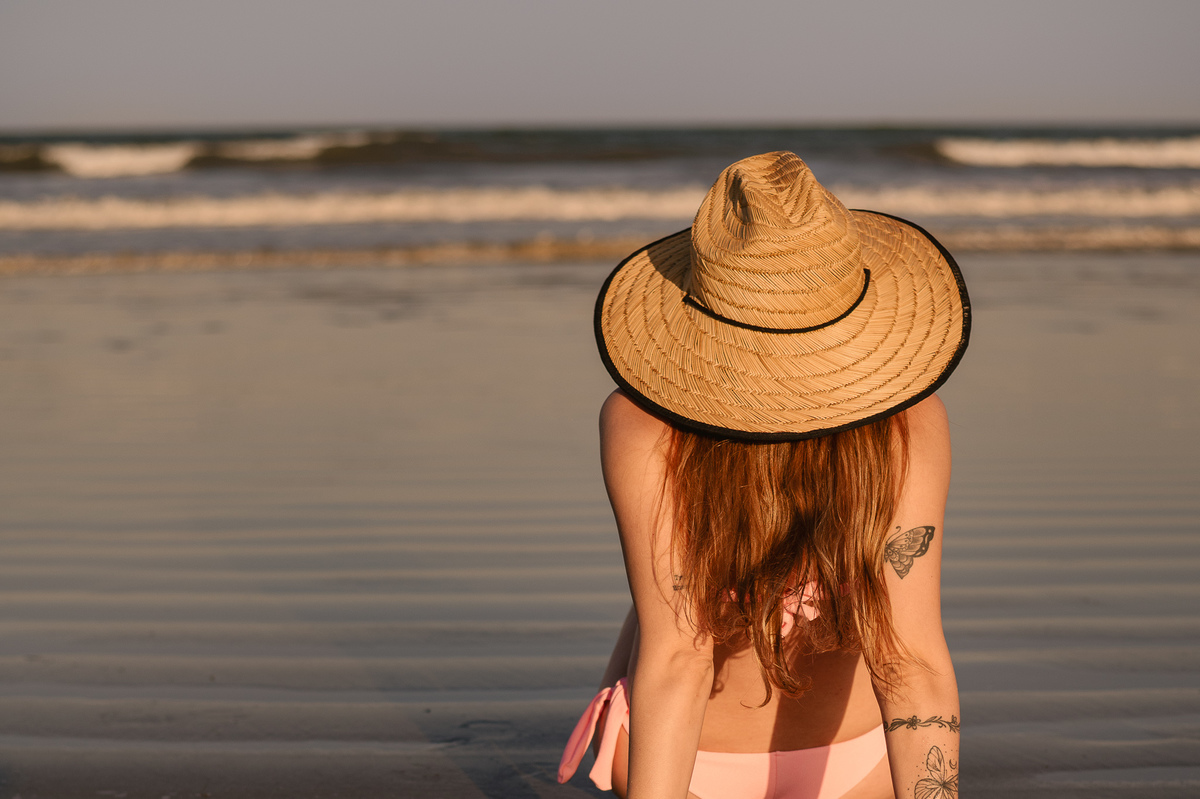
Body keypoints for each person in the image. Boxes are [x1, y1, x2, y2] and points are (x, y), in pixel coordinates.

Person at [557, 151, 971, 799]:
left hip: (682, 759)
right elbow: (910, 661)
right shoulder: (909, 419)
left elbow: (677, 658)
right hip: (857, 763)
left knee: (674, 605)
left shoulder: (642, 419)